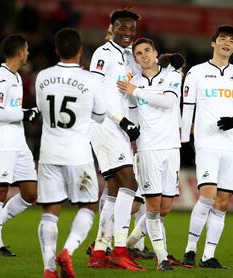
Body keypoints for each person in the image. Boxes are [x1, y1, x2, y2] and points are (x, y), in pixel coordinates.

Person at [35, 27, 106, 278]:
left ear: (56, 50)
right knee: (88, 205)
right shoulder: (91, 80)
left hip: (49, 153)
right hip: (78, 153)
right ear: (80, 50)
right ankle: (67, 249)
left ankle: (48, 268)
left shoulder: (42, 77)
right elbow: (100, 114)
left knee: (50, 210)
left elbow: (42, 111)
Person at [180, 25, 233, 269]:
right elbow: (187, 108)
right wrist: (184, 140)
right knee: (208, 197)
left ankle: (208, 256)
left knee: (222, 202)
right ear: (213, 43)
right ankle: (190, 249)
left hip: (232, 146)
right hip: (207, 143)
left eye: (231, 40)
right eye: (222, 38)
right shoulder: (197, 72)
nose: (227, 43)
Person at [117, 38, 184, 271]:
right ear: (135, 59)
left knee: (164, 209)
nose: (144, 55)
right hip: (148, 149)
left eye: (147, 50)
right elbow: (133, 114)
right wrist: (132, 137)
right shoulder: (132, 82)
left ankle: (126, 244)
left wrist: (138, 91)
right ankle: (161, 258)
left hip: (172, 147)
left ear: (155, 52)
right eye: (139, 53)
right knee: (153, 207)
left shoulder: (173, 76)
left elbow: (168, 101)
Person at [87, 9, 145, 271]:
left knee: (113, 190)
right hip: (105, 124)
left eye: (132, 29)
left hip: (117, 127)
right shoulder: (103, 54)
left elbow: (130, 93)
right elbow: (96, 92)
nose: (128, 33)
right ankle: (120, 249)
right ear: (111, 27)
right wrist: (122, 120)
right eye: (123, 27)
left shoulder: (128, 58)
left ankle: (100, 251)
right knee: (130, 183)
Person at [0, 34, 38, 256]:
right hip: (2, 142)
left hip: (18, 143)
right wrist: (24, 113)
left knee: (30, 194)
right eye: (27, 49)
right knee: (0, 190)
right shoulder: (0, 77)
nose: (29, 53)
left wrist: (26, 113)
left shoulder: (16, 77)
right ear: (20, 52)